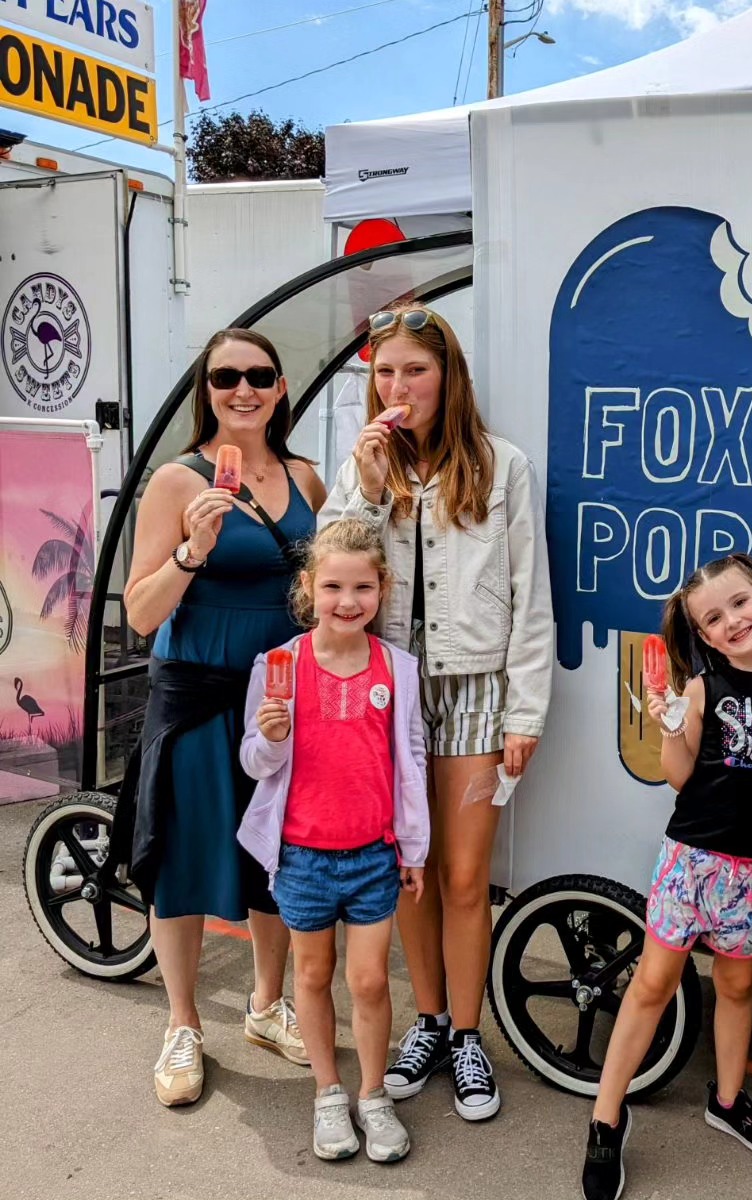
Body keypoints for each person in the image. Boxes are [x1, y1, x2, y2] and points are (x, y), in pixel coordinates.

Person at [321, 304, 553, 1121]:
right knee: (408, 868)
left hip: (474, 686)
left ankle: (466, 1032)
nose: (398, 387)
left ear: (448, 376)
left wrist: (526, 711)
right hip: (387, 689)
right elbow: (332, 567)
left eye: (415, 370)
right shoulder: (363, 467)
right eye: (385, 372)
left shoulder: (500, 465)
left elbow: (531, 595)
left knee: (462, 875)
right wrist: (369, 489)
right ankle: (426, 1021)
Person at [123, 328, 325, 1106]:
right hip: (201, 695)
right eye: (225, 376)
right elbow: (141, 613)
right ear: (205, 390)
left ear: (280, 388)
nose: (243, 389)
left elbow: (328, 584)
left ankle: (267, 1006)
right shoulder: (178, 481)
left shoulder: (305, 478)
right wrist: (192, 551)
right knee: (182, 857)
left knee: (277, 859)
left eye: (259, 375)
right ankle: (182, 1023)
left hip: (279, 700)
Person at [582, 553, 752, 1200]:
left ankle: (728, 1100)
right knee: (652, 984)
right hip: (690, 859)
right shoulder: (702, 689)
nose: (731, 621)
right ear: (704, 636)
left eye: (739, 603)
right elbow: (680, 777)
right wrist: (670, 728)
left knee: (737, 986)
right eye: (712, 619)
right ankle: (605, 1118)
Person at [238, 519, 429, 1163]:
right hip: (302, 857)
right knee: (313, 975)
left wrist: (414, 849)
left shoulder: (398, 669)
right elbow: (254, 763)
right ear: (308, 587)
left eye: (362, 588)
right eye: (333, 587)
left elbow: (411, 762)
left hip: (374, 855)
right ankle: (327, 1091)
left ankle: (373, 1093)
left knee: (370, 981)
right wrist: (272, 737)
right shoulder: (279, 666)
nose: (348, 601)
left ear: (383, 589)